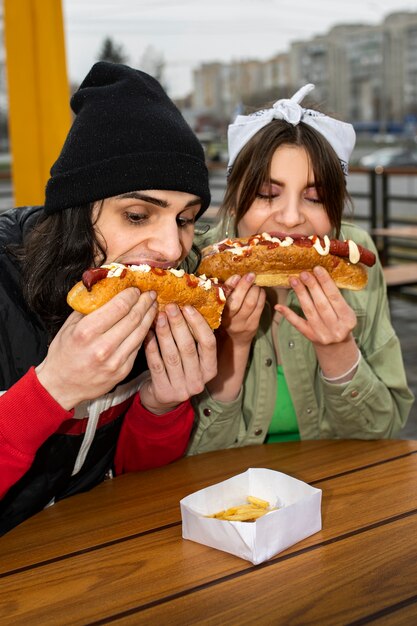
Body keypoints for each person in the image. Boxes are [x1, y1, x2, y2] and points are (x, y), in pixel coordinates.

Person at [0, 61, 217, 534]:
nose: (171, 249)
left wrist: (160, 407)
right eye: (138, 215)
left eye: (185, 219)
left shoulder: (164, 295)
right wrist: (51, 390)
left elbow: (129, 484)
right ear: (75, 212)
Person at [187, 83, 414, 454]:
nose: (291, 218)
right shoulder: (193, 266)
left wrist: (339, 352)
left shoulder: (355, 257)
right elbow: (186, 461)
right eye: (266, 193)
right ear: (233, 198)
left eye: (316, 197)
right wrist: (234, 345)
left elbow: (383, 432)